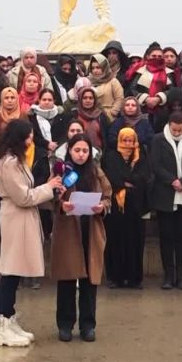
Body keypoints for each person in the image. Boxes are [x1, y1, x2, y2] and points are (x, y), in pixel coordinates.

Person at [0, 119, 64, 348]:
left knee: (16, 270)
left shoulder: (16, 160)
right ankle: (2, 324)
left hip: (22, 217)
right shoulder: (8, 163)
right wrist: (49, 187)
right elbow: (23, 197)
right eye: (28, 136)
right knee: (11, 269)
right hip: (15, 217)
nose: (31, 140)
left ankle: (10, 319)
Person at [51, 134, 112, 342]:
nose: (81, 154)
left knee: (89, 280)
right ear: (69, 150)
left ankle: (88, 325)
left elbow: (107, 195)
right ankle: (65, 324)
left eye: (85, 151)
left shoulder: (96, 172)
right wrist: (61, 204)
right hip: (69, 229)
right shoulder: (61, 171)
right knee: (68, 278)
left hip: (90, 229)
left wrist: (102, 206)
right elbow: (50, 194)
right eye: (77, 150)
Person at [148, 111, 182, 290]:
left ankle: (181, 274)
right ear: (169, 125)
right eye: (174, 130)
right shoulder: (158, 139)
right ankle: (168, 274)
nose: (177, 133)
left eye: (180, 130)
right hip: (165, 194)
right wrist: (172, 180)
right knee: (166, 237)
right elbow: (155, 164)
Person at [101, 127, 151, 289]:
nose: (128, 144)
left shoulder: (141, 156)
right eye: (125, 140)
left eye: (131, 140)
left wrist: (125, 181)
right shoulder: (111, 156)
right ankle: (115, 278)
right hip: (116, 207)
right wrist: (126, 182)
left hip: (136, 207)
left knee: (135, 243)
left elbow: (143, 177)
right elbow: (112, 177)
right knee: (115, 242)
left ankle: (134, 279)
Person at [125, 44, 171, 120]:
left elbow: (172, 90)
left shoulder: (169, 72)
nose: (157, 58)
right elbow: (132, 88)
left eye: (159, 56)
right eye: (154, 56)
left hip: (163, 112)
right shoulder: (139, 71)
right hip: (142, 111)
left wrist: (159, 98)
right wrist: (146, 99)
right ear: (147, 56)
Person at [86, 54, 125, 120]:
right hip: (91, 118)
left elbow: (120, 98)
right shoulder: (88, 81)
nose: (95, 70)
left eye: (98, 67)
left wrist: (113, 112)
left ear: (104, 67)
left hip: (109, 118)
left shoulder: (113, 81)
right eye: (93, 68)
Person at [72, 86, 110, 151]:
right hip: (79, 153)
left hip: (99, 154)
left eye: (91, 98)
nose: (88, 100)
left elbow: (106, 138)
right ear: (80, 99)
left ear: (94, 100)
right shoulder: (74, 115)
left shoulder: (101, 116)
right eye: (85, 98)